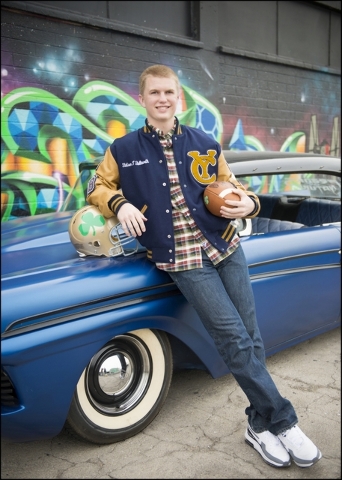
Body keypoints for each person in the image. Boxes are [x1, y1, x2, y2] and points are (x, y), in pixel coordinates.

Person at [86, 64, 322, 469]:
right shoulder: (123, 150)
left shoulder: (204, 141)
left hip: (225, 246)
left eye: (169, 92)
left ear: (179, 98)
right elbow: (96, 186)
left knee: (251, 335)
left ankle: (258, 424)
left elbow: (236, 187)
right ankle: (284, 421)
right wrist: (119, 204)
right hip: (181, 258)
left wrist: (249, 203)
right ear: (142, 99)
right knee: (232, 337)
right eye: (154, 92)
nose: (163, 98)